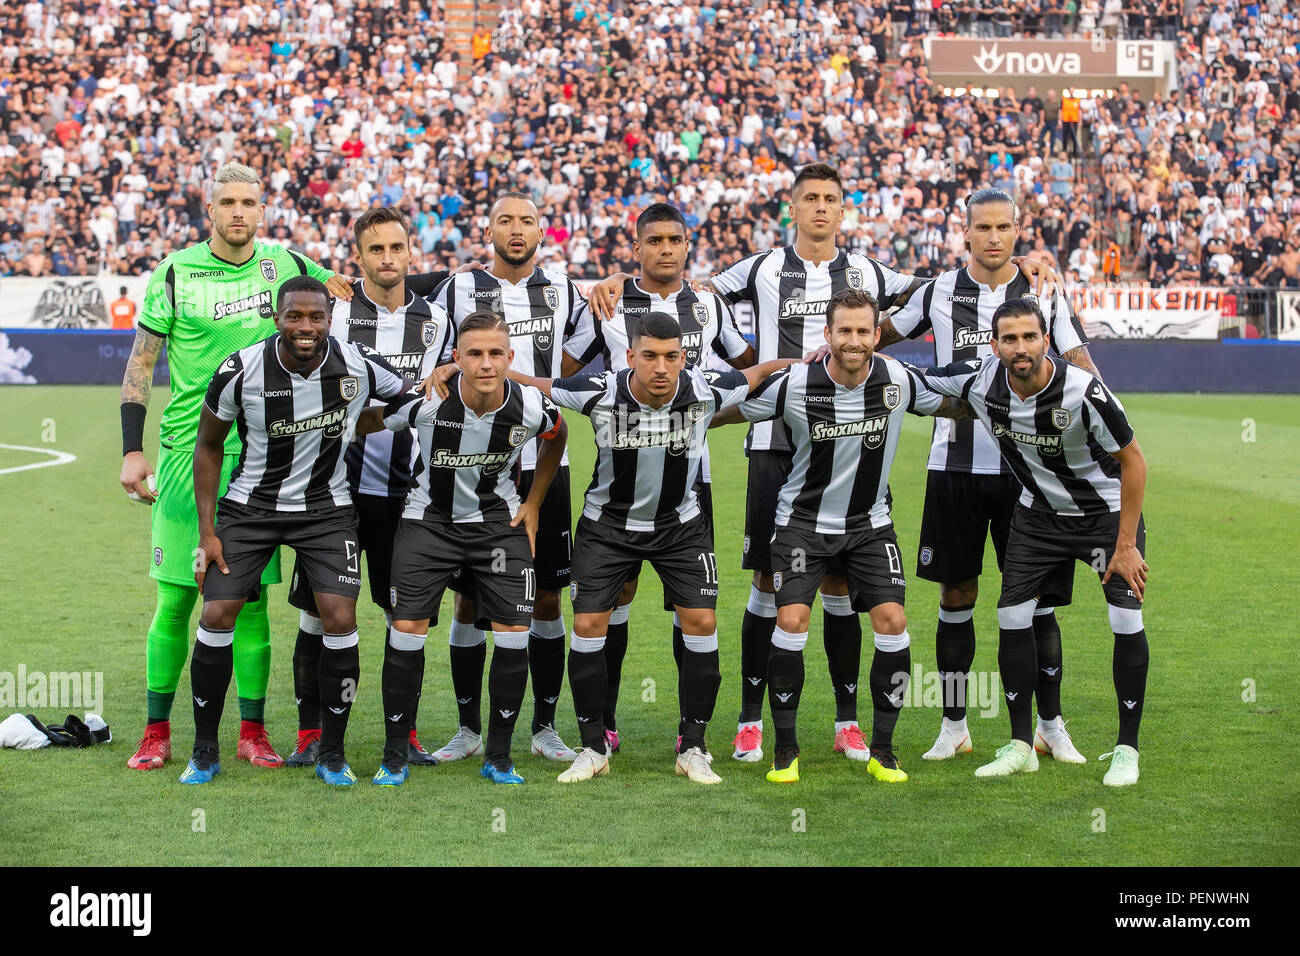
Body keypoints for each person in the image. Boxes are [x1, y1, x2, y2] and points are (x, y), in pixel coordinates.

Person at [590, 162, 1058, 766]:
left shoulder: (867, 272)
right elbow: (689, 287)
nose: (819, 208)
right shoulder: (758, 268)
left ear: (843, 209)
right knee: (767, 581)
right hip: (775, 438)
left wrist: (1026, 267)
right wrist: (612, 281)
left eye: (830, 199)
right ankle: (750, 721)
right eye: (808, 198)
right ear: (793, 206)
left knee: (839, 583)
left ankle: (846, 723)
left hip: (847, 436)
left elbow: (947, 283)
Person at [118, 161, 350, 773]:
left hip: (263, 466)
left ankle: (252, 732)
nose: (239, 212)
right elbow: (141, 365)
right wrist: (130, 449)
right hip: (186, 456)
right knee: (175, 601)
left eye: (250, 202)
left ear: (263, 210)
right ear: (210, 209)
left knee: (247, 602)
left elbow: (364, 285)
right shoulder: (175, 272)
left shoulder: (291, 266)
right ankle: (156, 730)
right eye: (228, 202)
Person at [514, 313, 795, 784]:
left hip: (679, 528)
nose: (661, 368)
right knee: (586, 623)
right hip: (607, 528)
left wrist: (807, 359)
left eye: (671, 357)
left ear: (684, 357)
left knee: (702, 621)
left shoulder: (705, 388)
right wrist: (465, 370)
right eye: (649, 357)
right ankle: (592, 745)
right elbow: (539, 383)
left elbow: (757, 372)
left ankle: (694, 746)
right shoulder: (600, 391)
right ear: (630, 357)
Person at [714, 288, 971, 783]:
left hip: (869, 526)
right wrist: (686, 417)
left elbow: (956, 404)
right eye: (844, 331)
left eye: (862, 331)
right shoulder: (794, 384)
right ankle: (785, 751)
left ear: (877, 335)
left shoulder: (898, 379)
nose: (853, 341)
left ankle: (883, 751)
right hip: (802, 526)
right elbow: (731, 410)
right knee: (789, 619)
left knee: (893, 621)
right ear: (827, 335)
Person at [882, 187, 1099, 764]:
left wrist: (1101, 425)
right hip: (954, 466)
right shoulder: (939, 291)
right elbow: (873, 332)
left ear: (1018, 230)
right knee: (956, 595)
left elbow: (1078, 362)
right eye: (984, 228)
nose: (995, 237)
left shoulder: (1043, 288)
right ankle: (954, 724)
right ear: (967, 232)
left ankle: (1050, 724)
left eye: (1004, 227)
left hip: (1032, 475)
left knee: (1038, 603)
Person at [187, 276, 414, 786]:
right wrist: (208, 531)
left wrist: (362, 419)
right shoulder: (240, 370)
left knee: (339, 616)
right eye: (295, 317)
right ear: (277, 319)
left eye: (316, 317)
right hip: (251, 508)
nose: (306, 327)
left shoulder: (355, 362)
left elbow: (410, 397)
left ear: (330, 320)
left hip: (326, 510)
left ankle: (331, 752)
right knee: (218, 610)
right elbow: (208, 445)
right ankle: (204, 750)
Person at [914, 298, 1148, 786]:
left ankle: (1127, 750)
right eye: (1009, 339)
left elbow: (1134, 462)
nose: (1020, 348)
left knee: (1124, 617)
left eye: (1029, 337)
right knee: (1012, 615)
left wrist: (1125, 545)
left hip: (1102, 516)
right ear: (994, 344)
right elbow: (915, 376)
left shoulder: (1084, 390)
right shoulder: (981, 380)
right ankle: (1022, 744)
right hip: (1038, 515)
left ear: (1046, 340)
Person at [562, 202, 754, 754]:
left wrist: (703, 407)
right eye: (655, 241)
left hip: (692, 482)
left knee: (690, 605)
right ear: (637, 245)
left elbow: (748, 364)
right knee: (613, 596)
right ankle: (604, 721)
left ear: (688, 245)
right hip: (620, 481)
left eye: (675, 240)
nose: (666, 250)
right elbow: (569, 370)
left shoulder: (708, 306)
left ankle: (688, 732)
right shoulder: (608, 301)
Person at [362, 311, 568, 786]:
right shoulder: (431, 399)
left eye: (496, 353)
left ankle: (498, 754)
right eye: (474, 353)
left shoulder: (531, 406)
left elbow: (558, 436)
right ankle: (394, 754)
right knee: (408, 627)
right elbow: (368, 421)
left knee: (515, 630)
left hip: (499, 525)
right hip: (427, 524)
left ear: (510, 357)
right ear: (456, 359)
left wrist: (534, 502)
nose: (486, 363)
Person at [282, 206, 455, 769]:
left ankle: (401, 736)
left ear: (411, 253)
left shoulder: (436, 319)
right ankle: (311, 733)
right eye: (375, 249)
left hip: (410, 494)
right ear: (357, 257)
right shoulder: (328, 315)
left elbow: (437, 393)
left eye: (396, 248)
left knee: (406, 618)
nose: (387, 259)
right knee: (318, 613)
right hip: (334, 491)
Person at [425, 192, 589, 764]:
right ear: (487, 229)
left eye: (526, 221)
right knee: (468, 603)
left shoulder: (565, 289)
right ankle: (469, 731)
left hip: (546, 460)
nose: (516, 230)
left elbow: (571, 366)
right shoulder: (457, 287)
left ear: (541, 230)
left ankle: (544, 728)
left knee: (546, 598)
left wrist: (531, 385)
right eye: (504, 221)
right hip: (473, 465)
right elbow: (441, 359)